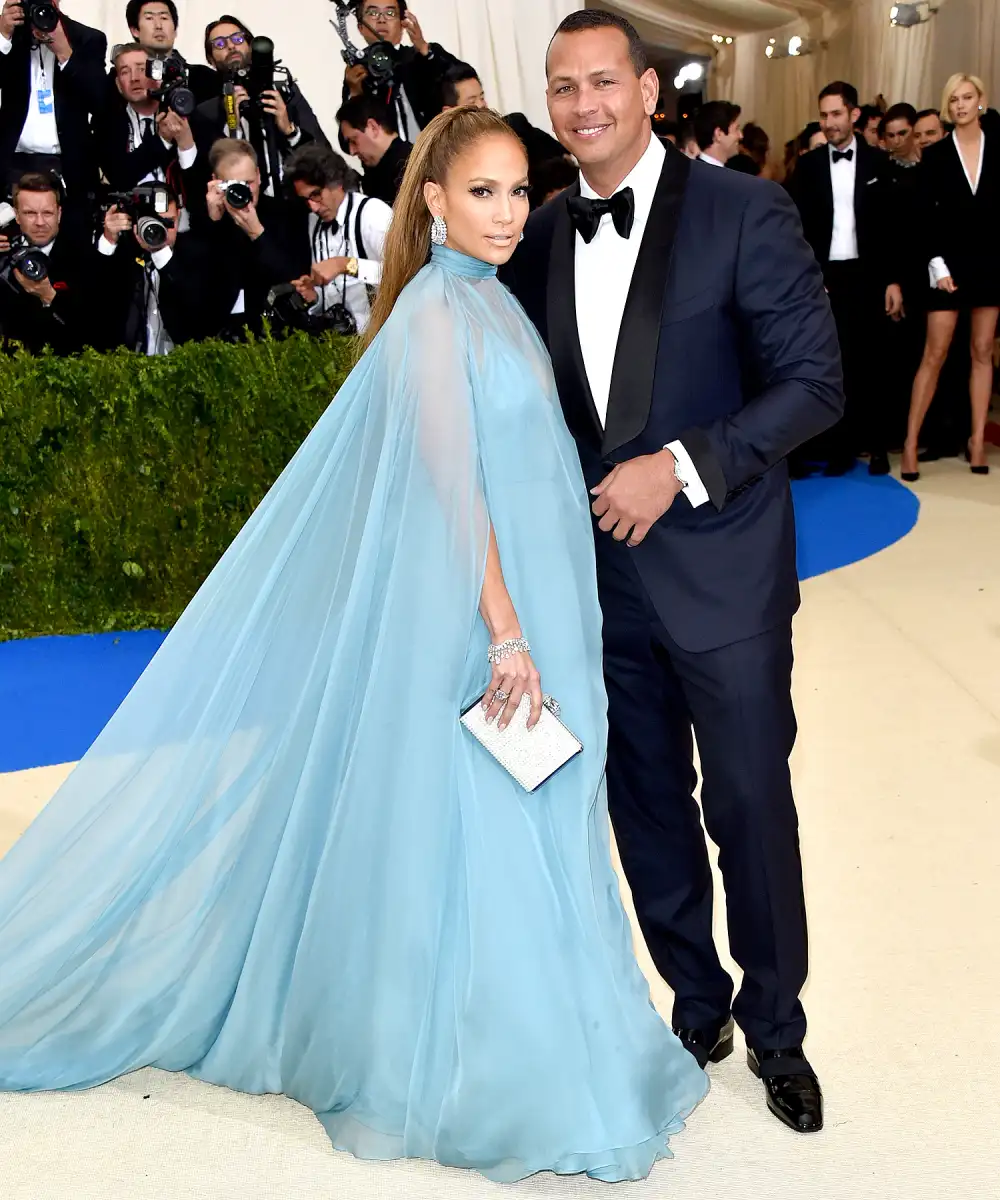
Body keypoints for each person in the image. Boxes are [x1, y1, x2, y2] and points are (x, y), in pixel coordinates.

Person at [0, 104, 708, 1183]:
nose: (508, 211)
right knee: (486, 828)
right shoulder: (435, 314)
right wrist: (507, 633)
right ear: (430, 201)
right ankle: (498, 1061)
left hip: (543, 606)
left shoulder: (496, 303)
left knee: (542, 815)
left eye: (520, 189)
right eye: (482, 191)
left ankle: (559, 1029)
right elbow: (451, 480)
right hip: (490, 619)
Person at [501, 9, 841, 1134]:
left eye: (603, 81)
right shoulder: (544, 232)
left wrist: (682, 468)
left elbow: (811, 386)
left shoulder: (748, 210)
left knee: (749, 804)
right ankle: (698, 1004)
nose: (582, 104)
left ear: (650, 90)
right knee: (644, 804)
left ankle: (778, 1027)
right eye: (561, 87)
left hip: (726, 574)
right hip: (594, 588)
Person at [788, 80, 899, 476]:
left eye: (836, 114)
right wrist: (809, 277)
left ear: (854, 114)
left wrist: (891, 281)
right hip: (823, 278)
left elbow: (890, 228)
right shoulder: (809, 166)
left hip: (867, 276)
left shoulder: (878, 163)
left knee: (868, 364)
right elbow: (795, 228)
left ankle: (873, 445)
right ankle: (832, 448)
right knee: (825, 365)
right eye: (824, 115)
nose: (829, 122)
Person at [900, 74, 999, 479]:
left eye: (967, 97)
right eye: (953, 99)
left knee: (981, 352)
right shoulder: (937, 154)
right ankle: (909, 442)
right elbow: (923, 219)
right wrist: (937, 266)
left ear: (980, 101)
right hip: (946, 266)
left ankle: (977, 440)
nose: (960, 105)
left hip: (991, 263)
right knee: (935, 354)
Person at [177, 138, 308, 340]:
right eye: (234, 184)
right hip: (217, 333)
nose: (243, 191)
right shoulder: (203, 221)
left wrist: (258, 233)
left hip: (273, 334)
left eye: (248, 183)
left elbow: (294, 279)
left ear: (258, 175)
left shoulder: (285, 214)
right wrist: (213, 223)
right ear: (215, 182)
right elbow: (196, 288)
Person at [193, 15, 328, 198]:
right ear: (210, 59)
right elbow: (205, 173)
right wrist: (231, 124)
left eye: (238, 39)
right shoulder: (206, 113)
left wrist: (289, 130)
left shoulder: (285, 92)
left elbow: (322, 154)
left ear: (250, 44)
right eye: (219, 44)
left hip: (293, 205)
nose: (231, 46)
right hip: (241, 206)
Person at [0, 0, 107, 209]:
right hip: (13, 162)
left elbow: (99, 101)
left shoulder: (87, 38)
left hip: (68, 164)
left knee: (71, 235)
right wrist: (3, 35)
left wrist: (65, 52)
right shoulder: (11, 34)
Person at [284, 142, 391, 335]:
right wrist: (314, 297)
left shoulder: (372, 214)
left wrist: (346, 265)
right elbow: (335, 294)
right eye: (306, 200)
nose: (313, 207)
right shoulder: (314, 225)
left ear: (336, 182)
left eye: (316, 195)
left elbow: (406, 274)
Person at [94, 184, 202, 351]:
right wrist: (108, 241)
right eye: (153, 222)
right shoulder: (121, 256)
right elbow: (94, 306)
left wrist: (160, 253)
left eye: (168, 222)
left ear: (178, 216)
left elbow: (198, 319)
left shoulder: (196, 255)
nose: (161, 231)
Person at [0, 170, 96, 352]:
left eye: (47, 213)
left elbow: (93, 338)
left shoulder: (85, 259)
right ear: (16, 215)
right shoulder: (4, 254)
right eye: (30, 213)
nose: (40, 222)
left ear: (59, 214)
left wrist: (49, 296)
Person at [342, 1, 458, 142]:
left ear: (403, 24)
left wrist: (423, 47)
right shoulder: (357, 72)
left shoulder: (421, 57)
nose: (381, 19)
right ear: (360, 27)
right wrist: (355, 95)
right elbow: (347, 142)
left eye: (390, 13)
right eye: (373, 13)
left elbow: (463, 82)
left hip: (433, 155)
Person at [95, 44, 198, 193]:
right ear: (118, 85)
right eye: (125, 72)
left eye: (142, 69)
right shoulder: (105, 125)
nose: (134, 78)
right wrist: (162, 140)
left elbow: (196, 185)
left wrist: (185, 144)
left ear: (157, 75)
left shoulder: (184, 113)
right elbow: (120, 179)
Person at [440, 62, 567, 176]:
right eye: (472, 101)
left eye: (482, 97)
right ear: (449, 111)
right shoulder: (446, 160)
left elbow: (564, 157)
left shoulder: (515, 128)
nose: (481, 105)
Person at [124, 0, 219, 107]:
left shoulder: (205, 78)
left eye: (164, 18)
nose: (158, 25)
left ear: (175, 30)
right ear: (135, 30)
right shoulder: (120, 79)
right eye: (149, 18)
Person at [337, 94, 411, 205]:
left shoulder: (411, 168)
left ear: (373, 127)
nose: (352, 151)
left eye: (354, 140)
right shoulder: (375, 173)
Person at [693, 100, 741, 167]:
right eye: (736, 129)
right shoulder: (704, 175)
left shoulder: (699, 169)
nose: (741, 136)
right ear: (718, 134)